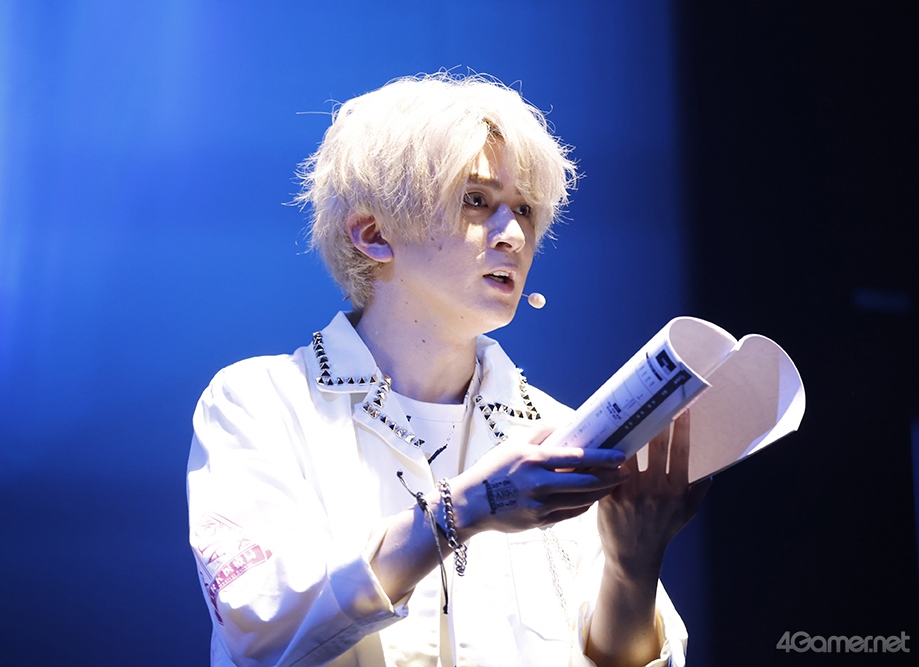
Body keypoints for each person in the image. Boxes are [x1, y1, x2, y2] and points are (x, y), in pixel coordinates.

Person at [187, 73, 709, 667]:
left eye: (526, 210)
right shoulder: (260, 402)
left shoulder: (560, 431)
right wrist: (465, 509)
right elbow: (258, 624)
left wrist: (633, 561)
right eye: (477, 200)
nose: (514, 236)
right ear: (374, 234)